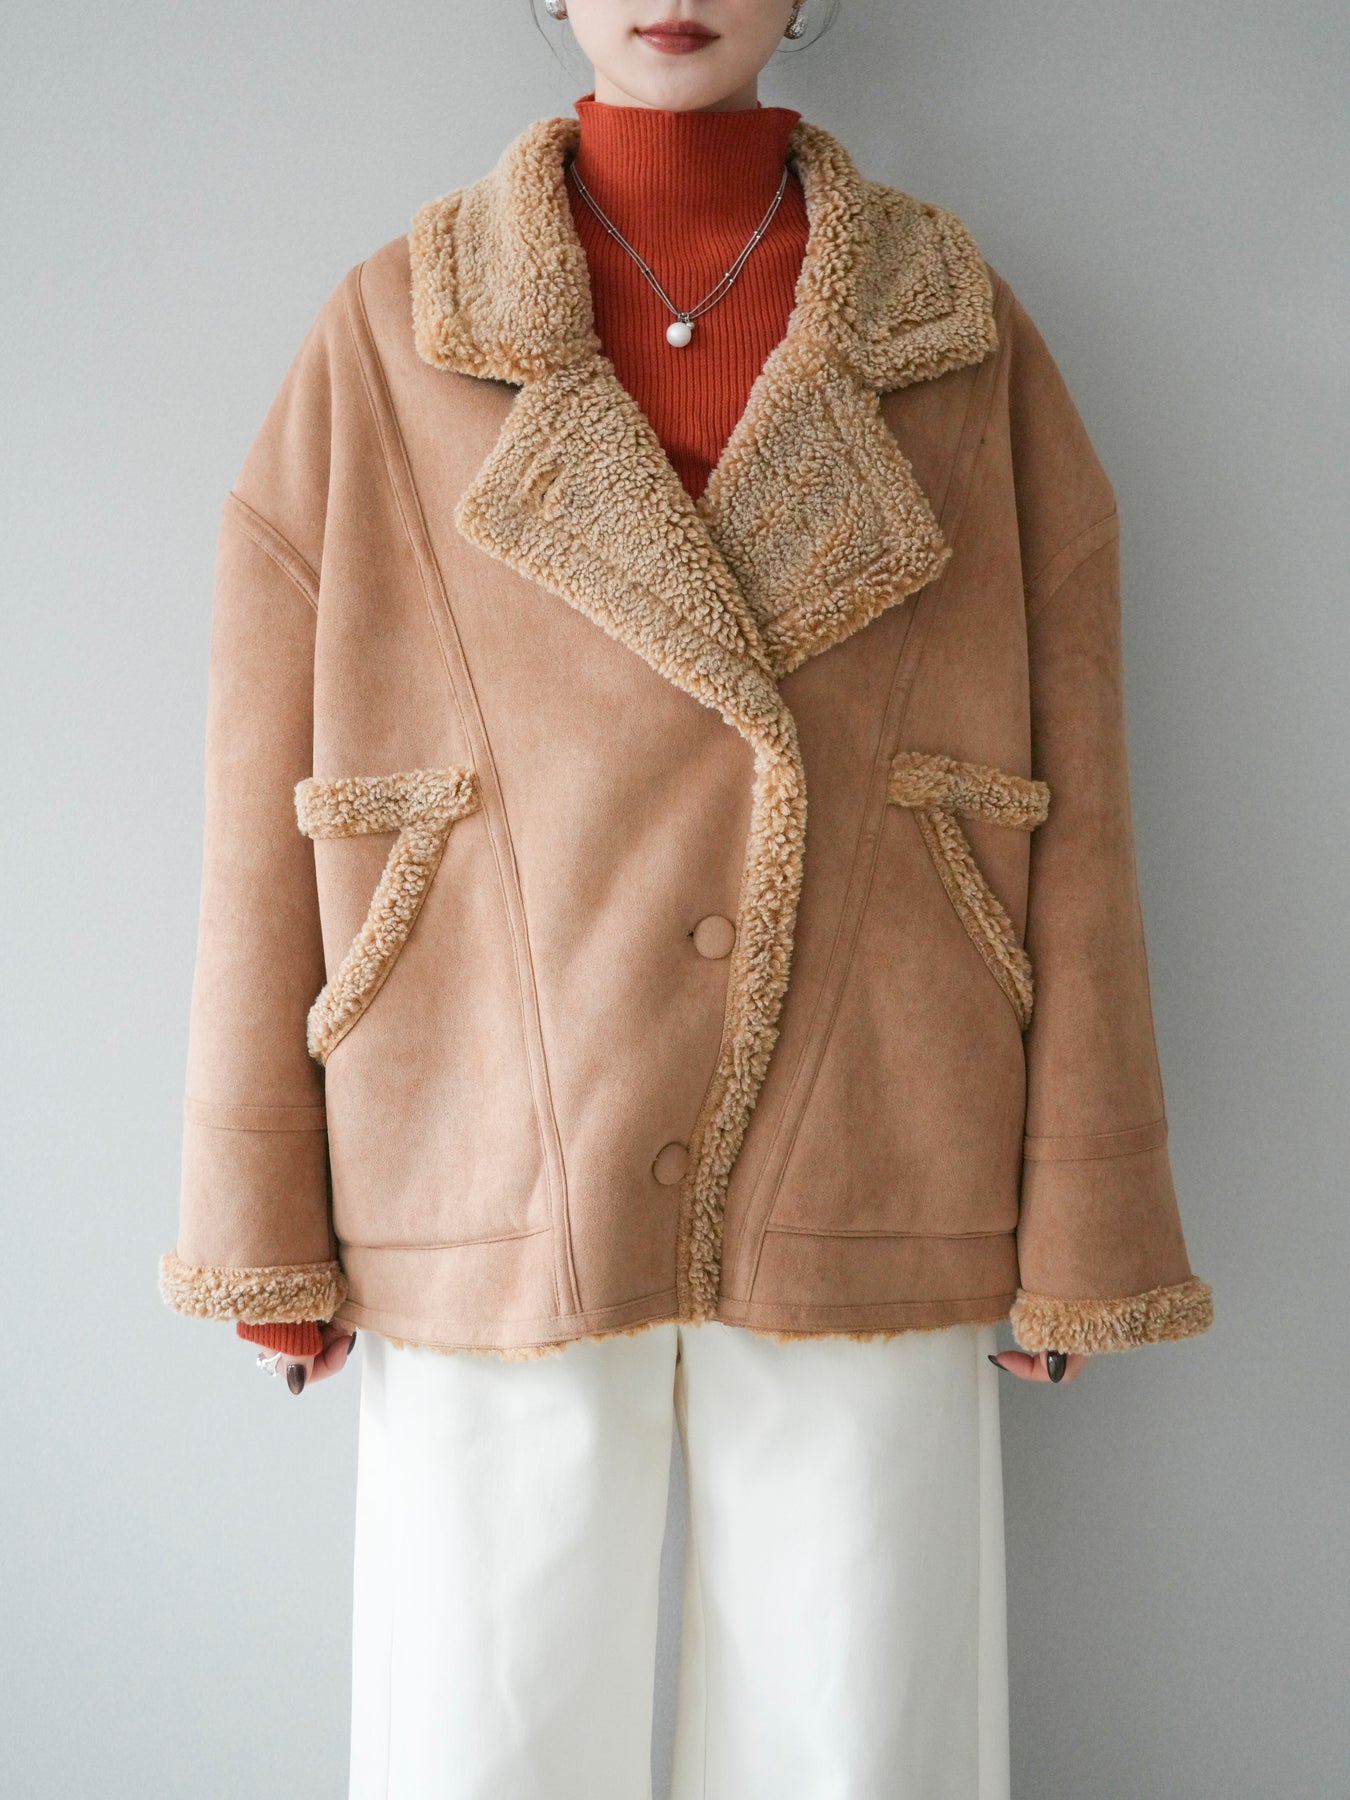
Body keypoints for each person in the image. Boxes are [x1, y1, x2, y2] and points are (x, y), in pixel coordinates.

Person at [157, 3, 1213, 1794]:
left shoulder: (953, 329)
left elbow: (1078, 803)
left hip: (877, 1123)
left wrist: (1084, 1225)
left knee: (856, 1744)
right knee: (481, 1746)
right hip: (486, 1130)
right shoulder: (395, 326)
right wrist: (261, 1209)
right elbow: (261, 798)